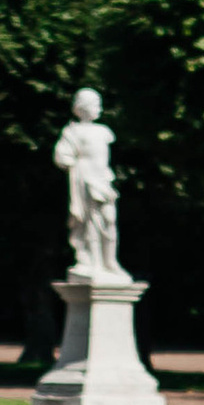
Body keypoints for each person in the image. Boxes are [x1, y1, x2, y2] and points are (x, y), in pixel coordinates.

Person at [54, 88, 125, 281]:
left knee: (109, 220)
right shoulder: (72, 131)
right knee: (90, 222)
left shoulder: (103, 131)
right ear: (82, 108)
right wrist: (77, 167)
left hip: (102, 180)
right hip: (85, 180)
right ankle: (92, 261)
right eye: (95, 105)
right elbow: (62, 156)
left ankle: (109, 261)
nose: (99, 109)